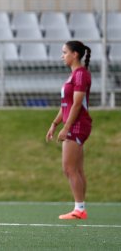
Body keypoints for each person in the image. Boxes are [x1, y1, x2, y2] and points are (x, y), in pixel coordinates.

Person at [46, 40, 92, 220]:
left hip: (77, 124)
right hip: (75, 123)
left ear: (75, 55)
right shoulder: (74, 75)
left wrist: (66, 128)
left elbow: (78, 104)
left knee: (69, 168)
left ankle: (79, 209)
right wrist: (55, 124)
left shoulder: (80, 74)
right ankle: (80, 208)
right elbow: (66, 105)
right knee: (77, 169)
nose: (62, 55)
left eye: (65, 52)